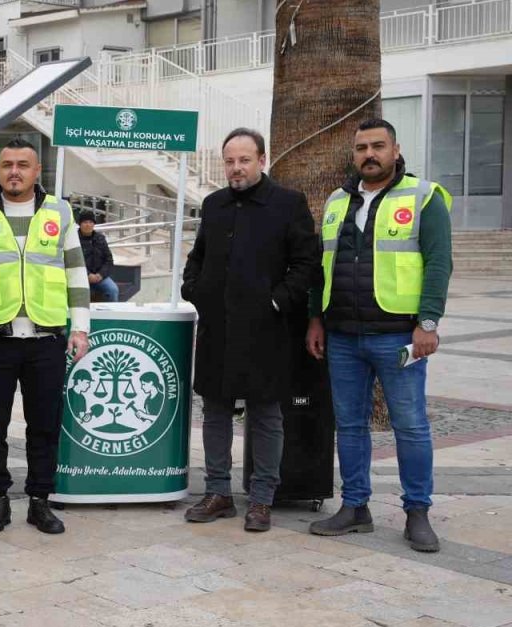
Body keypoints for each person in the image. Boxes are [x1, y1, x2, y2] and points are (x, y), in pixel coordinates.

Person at [307, 118, 452, 552]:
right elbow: (322, 267)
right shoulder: (336, 201)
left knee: (410, 426)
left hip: (399, 337)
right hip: (344, 337)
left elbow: (439, 264)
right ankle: (355, 507)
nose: (369, 155)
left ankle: (418, 512)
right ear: (353, 154)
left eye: (377, 146)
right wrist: (316, 319)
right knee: (349, 426)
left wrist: (428, 322)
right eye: (361, 148)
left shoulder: (424, 197)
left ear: (395, 149)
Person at [180, 128, 320, 533]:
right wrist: (195, 290)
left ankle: (261, 499)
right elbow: (198, 256)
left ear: (262, 160)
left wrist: (276, 301)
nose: (236, 168)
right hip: (217, 328)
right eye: (229, 161)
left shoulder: (288, 204)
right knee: (216, 412)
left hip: (267, 329)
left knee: (265, 414)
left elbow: (307, 264)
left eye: (244, 159)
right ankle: (218, 492)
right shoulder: (214, 204)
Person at [0, 138, 90, 535]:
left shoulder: (59, 211)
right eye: (7, 164)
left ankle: (39, 501)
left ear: (36, 172)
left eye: (23, 165)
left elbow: (76, 273)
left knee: (44, 423)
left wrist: (80, 327)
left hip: (46, 338)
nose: (14, 171)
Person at [77, 211, 119, 302]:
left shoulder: (100, 238)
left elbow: (109, 260)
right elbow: (72, 261)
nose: (88, 225)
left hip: (99, 277)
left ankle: (110, 315)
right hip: (80, 277)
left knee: (113, 290)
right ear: (80, 224)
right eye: (85, 222)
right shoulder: (74, 240)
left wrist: (100, 275)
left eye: (90, 222)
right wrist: (87, 275)